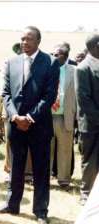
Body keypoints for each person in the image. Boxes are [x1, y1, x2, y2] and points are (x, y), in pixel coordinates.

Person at [0, 26, 60, 224]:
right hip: (16, 125)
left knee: (40, 169)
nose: (24, 43)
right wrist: (14, 117)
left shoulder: (50, 62)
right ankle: (12, 205)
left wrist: (29, 118)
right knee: (16, 167)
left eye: (28, 39)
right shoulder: (12, 62)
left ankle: (40, 210)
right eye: (22, 39)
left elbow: (49, 96)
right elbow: (5, 93)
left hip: (39, 125)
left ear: (38, 41)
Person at [75, 34, 99, 205]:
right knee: (90, 159)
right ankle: (86, 192)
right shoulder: (83, 68)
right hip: (91, 124)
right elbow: (84, 100)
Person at [50, 44, 76, 187]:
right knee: (46, 149)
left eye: (57, 54)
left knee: (65, 150)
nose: (53, 57)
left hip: (65, 117)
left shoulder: (74, 71)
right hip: (47, 117)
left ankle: (64, 180)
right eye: (53, 54)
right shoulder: (47, 69)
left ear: (65, 56)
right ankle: (43, 178)